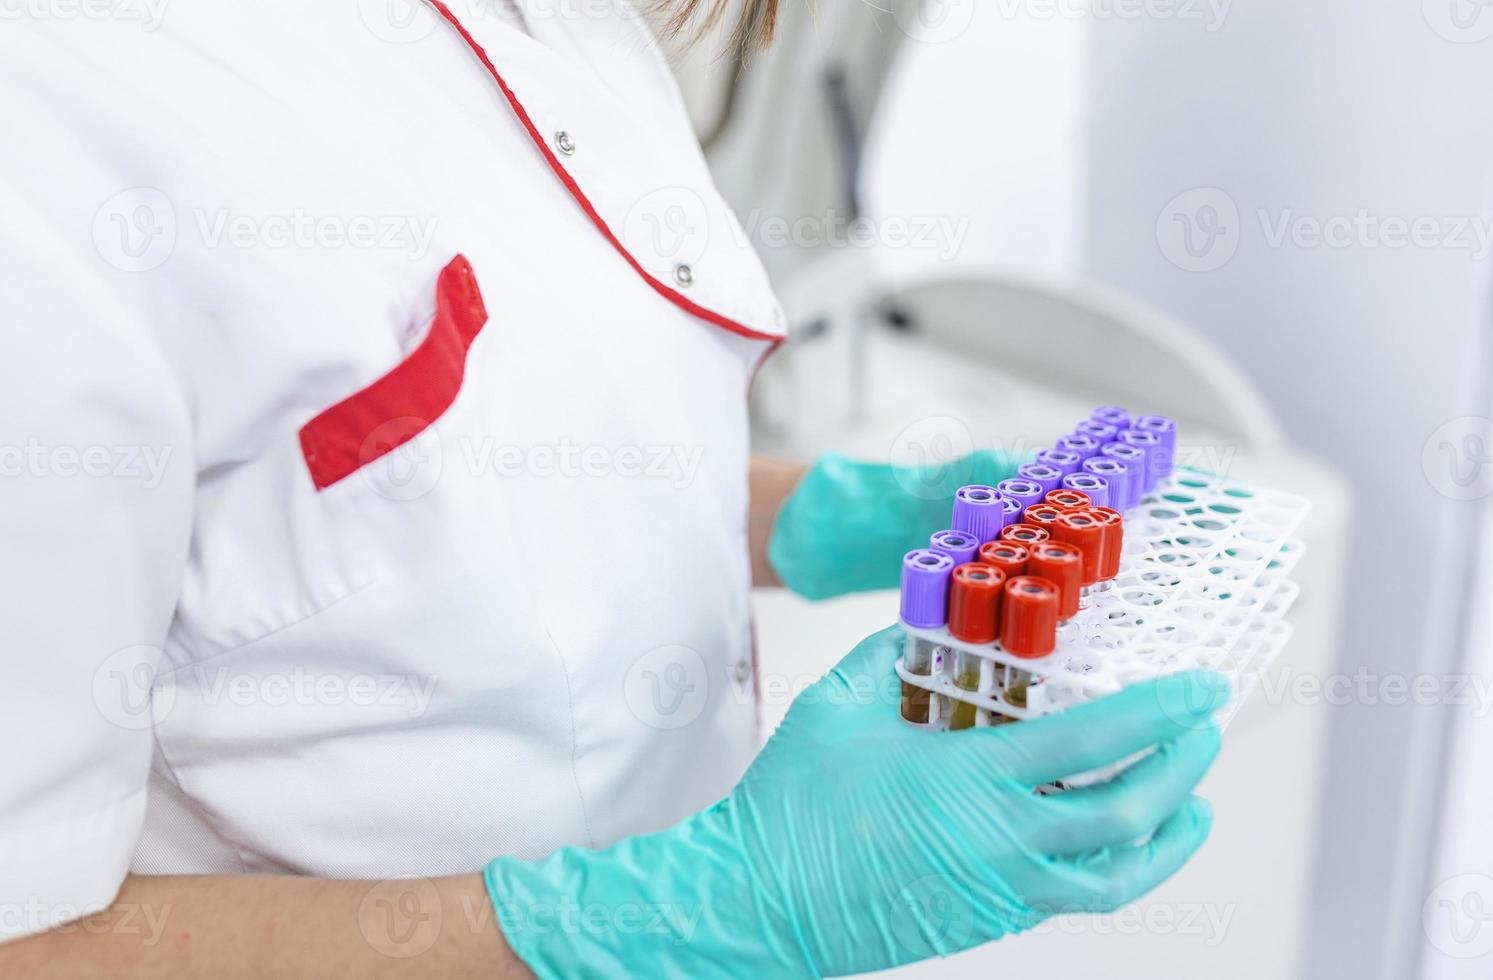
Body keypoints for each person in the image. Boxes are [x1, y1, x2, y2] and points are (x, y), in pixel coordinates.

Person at [0, 0, 1224, 974]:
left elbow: (442, 489)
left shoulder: (562, 26)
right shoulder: (51, 126)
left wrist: (815, 513)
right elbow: (26, 938)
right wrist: (673, 914)